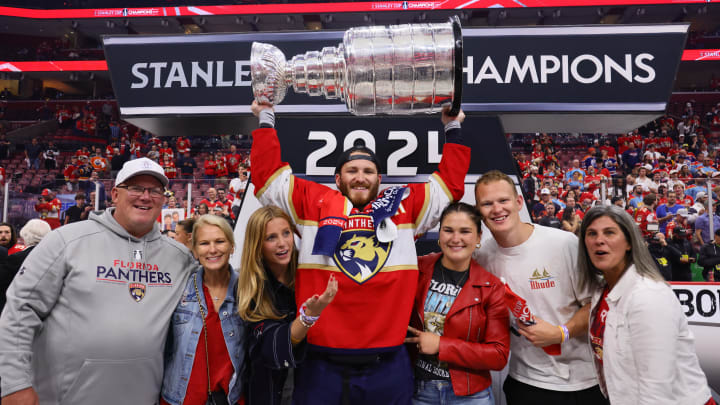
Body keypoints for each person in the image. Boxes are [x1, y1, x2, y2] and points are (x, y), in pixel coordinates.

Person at [250, 100, 470, 404]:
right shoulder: (311, 202)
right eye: (351, 170)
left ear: (380, 180)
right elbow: (267, 178)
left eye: (368, 171)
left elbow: (449, 185)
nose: (360, 176)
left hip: (387, 364)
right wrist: (265, 117)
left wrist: (453, 127)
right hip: (321, 364)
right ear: (337, 179)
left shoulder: (404, 206)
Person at [0, 157, 196, 405]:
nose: (145, 196)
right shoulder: (65, 241)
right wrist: (13, 383)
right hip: (63, 397)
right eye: (135, 188)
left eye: (155, 190)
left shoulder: (179, 258)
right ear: (115, 194)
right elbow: (20, 310)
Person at [473, 170, 604, 405]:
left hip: (583, 382)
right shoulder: (482, 257)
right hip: (525, 382)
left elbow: (596, 303)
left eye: (503, 200)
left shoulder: (563, 244)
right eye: (487, 203)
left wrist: (561, 333)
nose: (497, 209)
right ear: (479, 211)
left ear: (519, 201)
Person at [578, 206, 714, 405]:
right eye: (591, 233)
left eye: (609, 232)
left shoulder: (648, 296)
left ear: (629, 243)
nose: (599, 240)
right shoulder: (603, 290)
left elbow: (658, 391)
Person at [407, 202, 509, 404]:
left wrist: (441, 346)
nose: (456, 239)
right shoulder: (417, 269)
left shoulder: (491, 286)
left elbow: (498, 355)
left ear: (478, 237)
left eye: (465, 231)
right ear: (440, 234)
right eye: (448, 230)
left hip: (471, 395)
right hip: (419, 390)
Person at [237, 206, 338, 405]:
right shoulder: (249, 287)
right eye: (271, 238)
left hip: (316, 389)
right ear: (257, 244)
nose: (282, 243)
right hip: (267, 393)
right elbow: (272, 347)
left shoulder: (313, 273)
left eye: (286, 233)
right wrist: (310, 316)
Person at [161, 215, 246, 405]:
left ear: (232, 246)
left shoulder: (248, 290)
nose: (213, 249)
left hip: (230, 399)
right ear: (195, 250)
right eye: (204, 243)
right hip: (180, 399)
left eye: (220, 241)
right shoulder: (179, 288)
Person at [0, 219, 51, 312]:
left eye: (7, 232)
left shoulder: (17, 258)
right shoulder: (56, 255)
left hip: (20, 309)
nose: (3, 235)